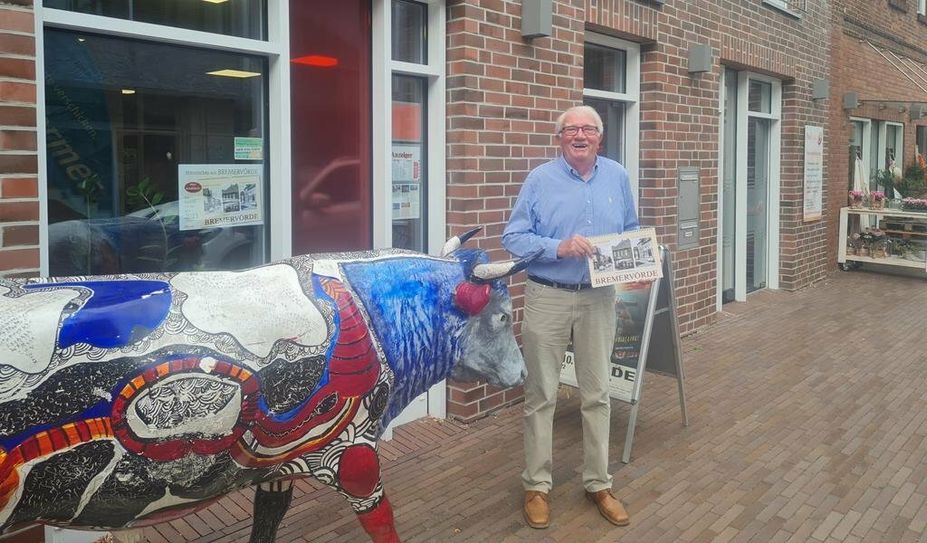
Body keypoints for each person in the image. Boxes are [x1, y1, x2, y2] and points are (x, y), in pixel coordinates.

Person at [502, 105, 639, 529]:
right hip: (549, 296)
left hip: (599, 299)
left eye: (588, 129)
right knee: (541, 395)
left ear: (601, 137)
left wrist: (639, 267)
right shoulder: (540, 180)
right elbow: (513, 237)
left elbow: (631, 229)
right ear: (560, 138)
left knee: (597, 394)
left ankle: (599, 482)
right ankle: (536, 486)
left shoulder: (617, 175)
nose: (579, 135)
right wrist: (557, 247)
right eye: (571, 129)